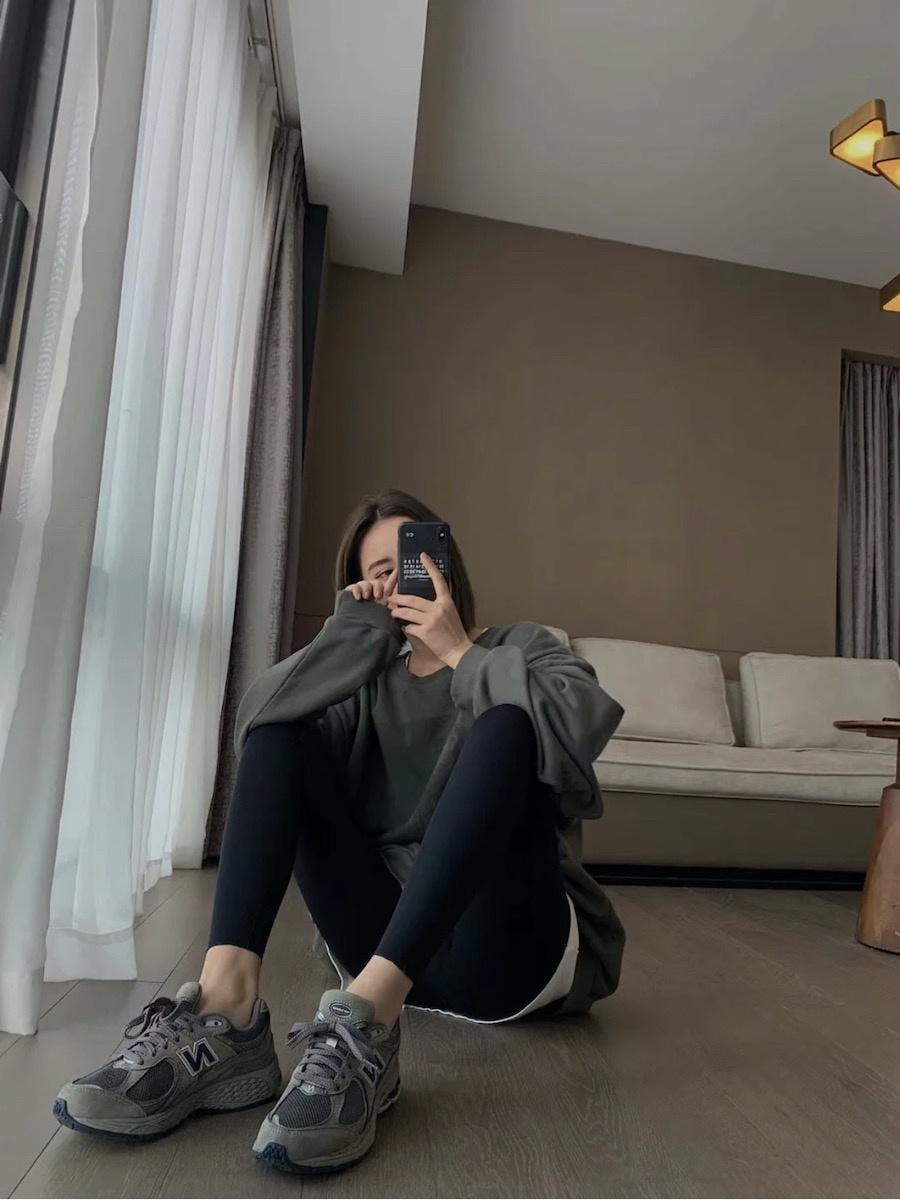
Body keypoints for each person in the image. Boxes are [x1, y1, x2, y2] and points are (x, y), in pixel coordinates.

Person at [52, 489, 626, 1176]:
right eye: (378, 572)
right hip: (378, 944)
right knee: (281, 737)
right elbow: (257, 725)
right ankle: (227, 1009)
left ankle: (369, 1021)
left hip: (503, 955)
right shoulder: (361, 676)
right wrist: (348, 636)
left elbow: (582, 725)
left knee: (510, 721)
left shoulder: (519, 646)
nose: (398, 580)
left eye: (413, 561)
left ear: (447, 565)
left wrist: (460, 652)